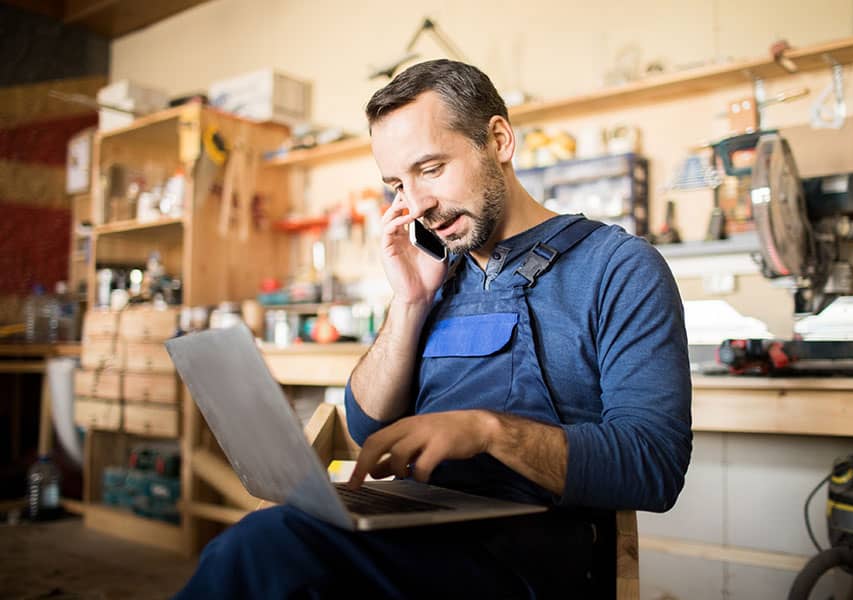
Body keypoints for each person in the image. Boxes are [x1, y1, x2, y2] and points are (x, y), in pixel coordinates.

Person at [175, 59, 692, 599]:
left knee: (268, 549)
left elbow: (652, 465)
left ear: (498, 140)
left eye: (431, 169)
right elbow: (367, 426)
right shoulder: (437, 275)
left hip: (534, 556)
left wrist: (486, 431)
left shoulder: (619, 268)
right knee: (265, 545)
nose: (416, 204)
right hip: (421, 527)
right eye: (397, 183)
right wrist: (410, 301)